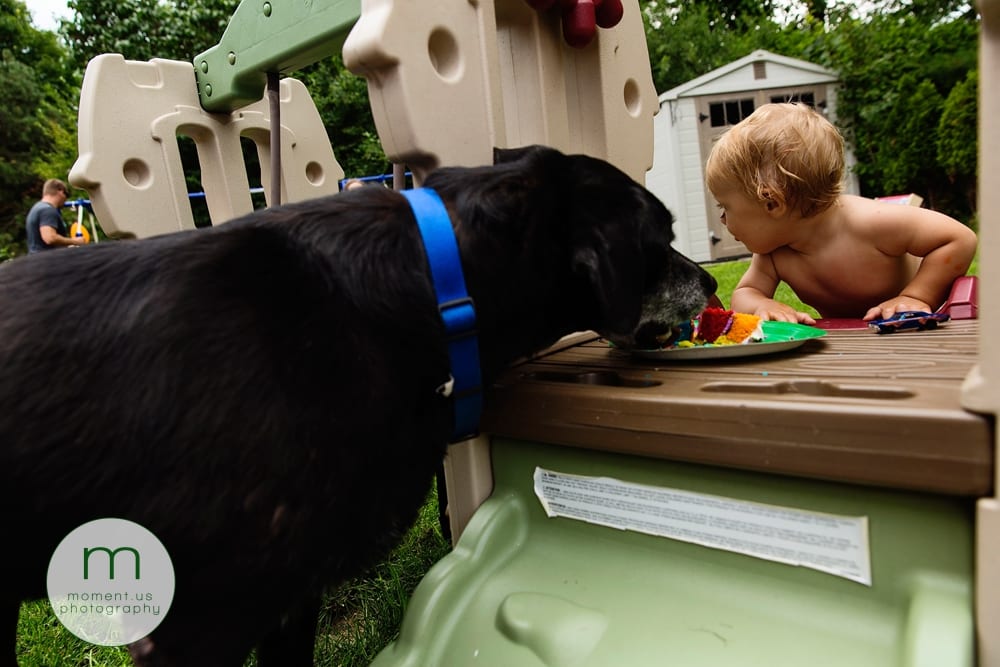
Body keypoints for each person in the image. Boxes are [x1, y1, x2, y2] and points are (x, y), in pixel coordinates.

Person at [705, 103, 978, 323]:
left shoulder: (869, 223)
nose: (723, 220)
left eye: (725, 207)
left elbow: (958, 238)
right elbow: (744, 294)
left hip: (915, 331)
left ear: (772, 203)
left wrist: (917, 296)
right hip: (852, 343)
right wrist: (763, 304)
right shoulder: (774, 254)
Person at [25, 179, 87, 253]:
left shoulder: (36, 208)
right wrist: (75, 241)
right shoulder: (48, 210)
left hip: (36, 259)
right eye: (66, 194)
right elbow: (50, 238)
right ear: (60, 191)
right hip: (47, 261)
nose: (65, 199)